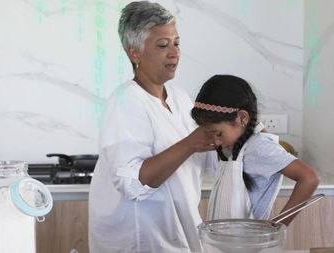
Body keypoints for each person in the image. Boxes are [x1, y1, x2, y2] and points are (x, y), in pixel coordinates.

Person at [88, 1, 219, 252]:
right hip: (141, 241)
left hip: (179, 236)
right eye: (162, 45)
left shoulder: (179, 99)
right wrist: (190, 143)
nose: (174, 53)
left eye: (176, 43)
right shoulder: (125, 103)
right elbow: (133, 183)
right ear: (134, 53)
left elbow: (206, 162)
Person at [191, 74, 320, 225]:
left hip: (249, 243)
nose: (215, 141)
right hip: (225, 241)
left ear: (242, 118)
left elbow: (310, 178)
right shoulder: (233, 146)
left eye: (218, 134)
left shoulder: (259, 146)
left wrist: (278, 225)